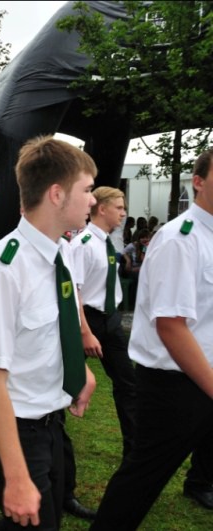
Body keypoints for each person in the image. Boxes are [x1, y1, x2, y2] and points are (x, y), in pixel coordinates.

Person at [0, 136, 97, 530]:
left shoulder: (60, 253)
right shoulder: (3, 270)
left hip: (49, 419)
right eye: (87, 190)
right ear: (57, 194)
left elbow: (52, 329)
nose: (93, 200)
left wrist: (79, 370)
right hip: (14, 426)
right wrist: (17, 476)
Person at [91, 150, 213, 529]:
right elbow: (171, 326)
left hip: (204, 373)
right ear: (198, 182)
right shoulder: (181, 239)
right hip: (175, 383)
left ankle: (200, 482)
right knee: (141, 480)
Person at [65, 186, 137, 520]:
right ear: (102, 208)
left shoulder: (109, 242)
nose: (123, 213)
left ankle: (134, 454)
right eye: (119, 207)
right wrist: (85, 332)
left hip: (110, 321)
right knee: (60, 385)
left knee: (129, 385)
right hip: (87, 321)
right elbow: (75, 292)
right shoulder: (82, 244)